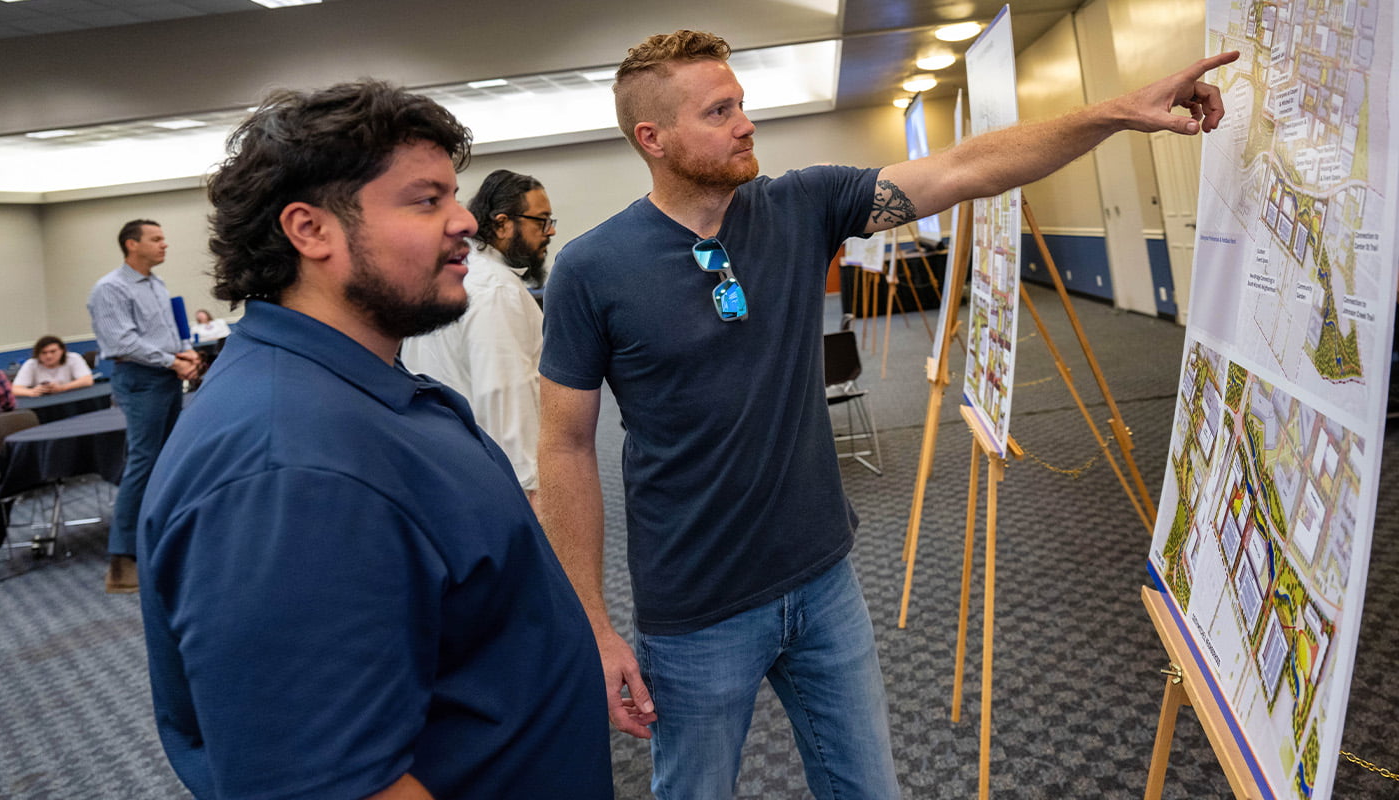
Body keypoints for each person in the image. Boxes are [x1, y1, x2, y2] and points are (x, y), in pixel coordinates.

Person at [538, 29, 1238, 799]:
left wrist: (1113, 113)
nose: (745, 123)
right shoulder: (591, 269)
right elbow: (566, 448)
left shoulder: (801, 206)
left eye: (741, 104)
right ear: (654, 138)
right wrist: (594, 627)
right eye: (719, 111)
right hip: (697, 611)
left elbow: (965, 167)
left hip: (823, 582)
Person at [137, 81, 612, 800]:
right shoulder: (288, 467)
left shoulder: (359, 388)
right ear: (311, 231)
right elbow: (332, 783)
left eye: (454, 196)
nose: (465, 223)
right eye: (426, 201)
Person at [400, 169, 553, 506]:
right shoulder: (496, 290)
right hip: (492, 480)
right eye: (541, 221)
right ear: (502, 224)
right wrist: (528, 493)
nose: (550, 231)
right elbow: (503, 394)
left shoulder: (457, 275)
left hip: (443, 467)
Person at [87, 219, 200, 593]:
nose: (164, 244)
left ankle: (162, 539)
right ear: (131, 245)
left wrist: (183, 354)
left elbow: (163, 334)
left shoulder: (156, 283)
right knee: (144, 460)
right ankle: (122, 562)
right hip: (140, 379)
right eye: (156, 239)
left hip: (164, 375)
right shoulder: (110, 289)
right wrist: (173, 361)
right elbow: (123, 343)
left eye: (164, 237)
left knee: (168, 457)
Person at [11, 335, 94, 397]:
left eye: (53, 351)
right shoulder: (31, 364)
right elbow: (15, 389)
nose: (49, 356)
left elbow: (87, 380)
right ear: (38, 354)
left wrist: (62, 388)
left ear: (62, 351)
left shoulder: (73, 358)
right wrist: (32, 392)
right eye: (44, 353)